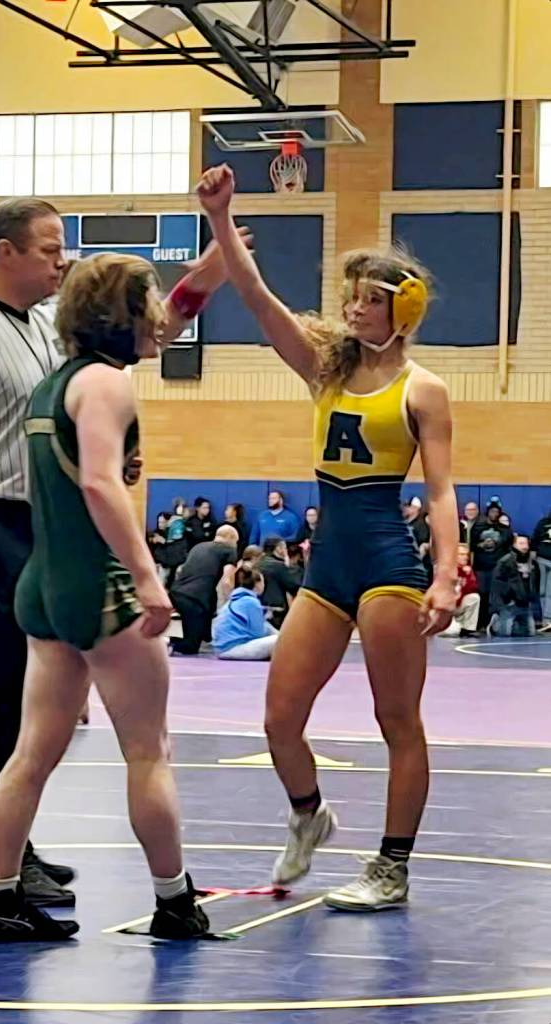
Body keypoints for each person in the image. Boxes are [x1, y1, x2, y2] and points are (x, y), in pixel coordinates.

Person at [0, 196, 242, 906]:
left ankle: (8, 854)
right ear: (6, 253)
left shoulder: (47, 333)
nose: (62, 260)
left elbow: (153, 329)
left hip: (47, 528)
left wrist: (214, 266)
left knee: (34, 716)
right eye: (50, 249)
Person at [198, 164, 457, 912]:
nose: (353, 308)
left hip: (386, 562)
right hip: (328, 566)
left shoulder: (423, 389)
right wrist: (220, 219)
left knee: (396, 720)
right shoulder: (325, 368)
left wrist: (446, 574)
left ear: (402, 310)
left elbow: (440, 489)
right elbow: (257, 297)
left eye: (370, 299)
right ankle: (309, 814)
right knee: (280, 717)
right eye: (352, 296)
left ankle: (391, 866)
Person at [0, 252, 211, 943]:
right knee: (148, 751)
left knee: (31, 753)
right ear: (122, 316)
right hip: (97, 586)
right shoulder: (106, 384)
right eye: (149, 306)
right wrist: (146, 576)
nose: (160, 319)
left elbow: (81, 470)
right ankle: (174, 902)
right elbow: (101, 484)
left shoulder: (54, 385)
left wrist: (221, 249)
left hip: (44, 586)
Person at [169, 526, 239, 655]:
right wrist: (232, 603)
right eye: (236, 541)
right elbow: (227, 580)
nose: (236, 544)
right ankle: (174, 644)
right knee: (190, 647)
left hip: (177, 592)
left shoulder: (198, 546)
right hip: (196, 599)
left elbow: (181, 569)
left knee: (186, 637)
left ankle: (198, 637)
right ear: (230, 537)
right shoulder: (229, 550)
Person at [212, 567, 279, 661]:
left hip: (222, 649)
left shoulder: (235, 600)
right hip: (234, 648)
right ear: (258, 584)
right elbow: (258, 633)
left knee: (277, 635)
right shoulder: (251, 602)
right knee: (280, 640)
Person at [470, 500, 513, 630]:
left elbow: (509, 549)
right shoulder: (477, 528)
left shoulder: (505, 530)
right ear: (487, 512)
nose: (494, 514)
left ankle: (494, 624)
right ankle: (480, 623)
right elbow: (471, 546)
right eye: (492, 511)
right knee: (481, 595)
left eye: (496, 512)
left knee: (495, 596)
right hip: (481, 567)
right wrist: (481, 545)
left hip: (497, 568)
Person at [489, 535, 539, 638]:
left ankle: (515, 625)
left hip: (525, 604)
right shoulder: (505, 562)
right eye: (521, 543)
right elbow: (497, 584)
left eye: (526, 543)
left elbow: (535, 583)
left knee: (529, 633)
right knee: (504, 634)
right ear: (514, 545)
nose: (524, 546)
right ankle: (495, 623)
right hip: (509, 603)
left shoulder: (533, 563)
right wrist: (502, 602)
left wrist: (531, 597)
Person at [257, 537, 301, 628]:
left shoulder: (257, 563)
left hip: (258, 605)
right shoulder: (279, 567)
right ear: (278, 549)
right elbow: (294, 585)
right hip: (276, 610)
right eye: (284, 548)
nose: (286, 550)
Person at [438, 544, 480, 638]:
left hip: (457, 604)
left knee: (474, 597)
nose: (465, 557)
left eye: (466, 555)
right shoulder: (445, 569)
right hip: (443, 608)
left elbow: (473, 588)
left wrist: (467, 575)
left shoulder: (467, 570)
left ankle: (468, 629)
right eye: (461, 554)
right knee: (451, 632)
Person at [531, 507, 551, 629]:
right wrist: (533, 553)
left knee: (550, 591)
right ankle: (543, 618)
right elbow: (535, 539)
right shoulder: (542, 523)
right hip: (541, 559)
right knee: (542, 590)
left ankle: (547, 619)